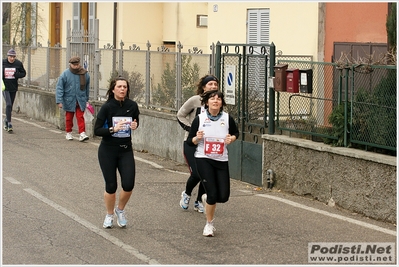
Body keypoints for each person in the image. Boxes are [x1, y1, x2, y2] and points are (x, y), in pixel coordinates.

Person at [186, 90, 239, 237]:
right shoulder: (200, 119)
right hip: (203, 158)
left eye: (218, 99)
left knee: (223, 196)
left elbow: (236, 133)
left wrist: (231, 139)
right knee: (213, 194)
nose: (215, 101)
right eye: (212, 98)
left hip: (221, 159)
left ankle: (205, 199)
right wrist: (197, 138)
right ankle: (209, 224)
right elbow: (190, 142)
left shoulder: (228, 119)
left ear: (222, 102)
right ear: (206, 102)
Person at [94, 76, 140, 229]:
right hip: (108, 150)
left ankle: (120, 210)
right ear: (113, 89)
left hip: (125, 150)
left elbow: (136, 121)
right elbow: (97, 130)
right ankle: (109, 214)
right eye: (119, 86)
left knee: (128, 184)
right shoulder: (107, 107)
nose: (122, 89)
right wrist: (113, 129)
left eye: (125, 87)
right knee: (111, 186)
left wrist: (134, 125)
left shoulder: (132, 105)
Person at [177, 75, 219, 213]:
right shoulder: (195, 101)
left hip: (209, 144)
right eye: (210, 84)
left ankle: (199, 201)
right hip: (191, 143)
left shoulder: (218, 102)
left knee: (207, 173)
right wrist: (191, 130)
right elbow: (180, 115)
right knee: (196, 173)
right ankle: (187, 193)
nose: (213, 86)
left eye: (215, 84)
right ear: (203, 87)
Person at [55, 56, 90, 142]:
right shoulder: (65, 74)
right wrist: (59, 100)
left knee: (80, 116)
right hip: (69, 99)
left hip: (80, 99)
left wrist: (86, 99)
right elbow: (59, 87)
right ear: (70, 65)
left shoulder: (85, 74)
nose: (76, 66)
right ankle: (68, 132)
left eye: (77, 64)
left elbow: (87, 87)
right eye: (74, 65)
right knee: (69, 117)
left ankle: (82, 133)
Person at [2, 48, 27, 133]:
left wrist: (17, 75)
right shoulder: (3, 63)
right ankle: (9, 123)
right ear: (7, 56)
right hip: (4, 87)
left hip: (13, 87)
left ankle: (5, 120)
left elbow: (23, 73)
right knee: (8, 104)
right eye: (10, 56)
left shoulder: (18, 64)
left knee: (11, 105)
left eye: (13, 57)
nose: (12, 58)